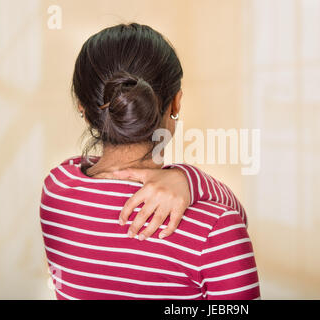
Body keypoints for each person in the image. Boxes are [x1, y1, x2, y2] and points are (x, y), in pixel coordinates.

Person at [40, 22, 260, 300]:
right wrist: (189, 178)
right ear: (176, 102)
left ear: (83, 108)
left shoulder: (56, 187)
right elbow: (240, 219)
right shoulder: (216, 229)